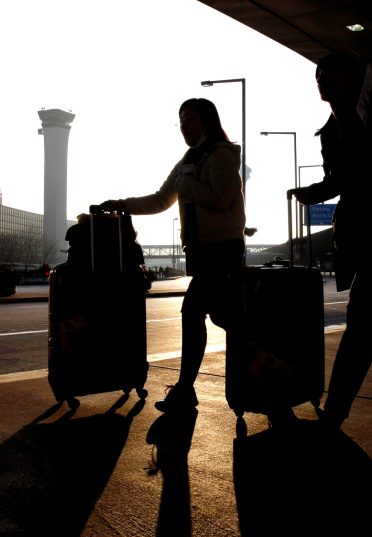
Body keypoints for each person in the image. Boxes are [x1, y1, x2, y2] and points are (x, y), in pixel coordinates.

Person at [288, 51, 372, 429]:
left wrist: (333, 184)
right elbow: (338, 179)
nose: (322, 81)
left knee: (361, 316)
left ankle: (337, 408)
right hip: (358, 232)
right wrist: (313, 192)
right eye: (319, 76)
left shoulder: (370, 118)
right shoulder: (331, 129)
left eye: (331, 76)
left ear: (351, 82)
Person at [99, 97, 246, 412]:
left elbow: (223, 199)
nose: (184, 125)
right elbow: (161, 199)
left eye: (190, 118)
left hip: (222, 250)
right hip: (201, 250)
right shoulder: (188, 161)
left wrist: (188, 186)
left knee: (193, 313)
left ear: (206, 120)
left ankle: (186, 389)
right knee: (225, 317)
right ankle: (258, 366)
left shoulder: (220, 156)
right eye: (180, 120)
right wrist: (123, 204)